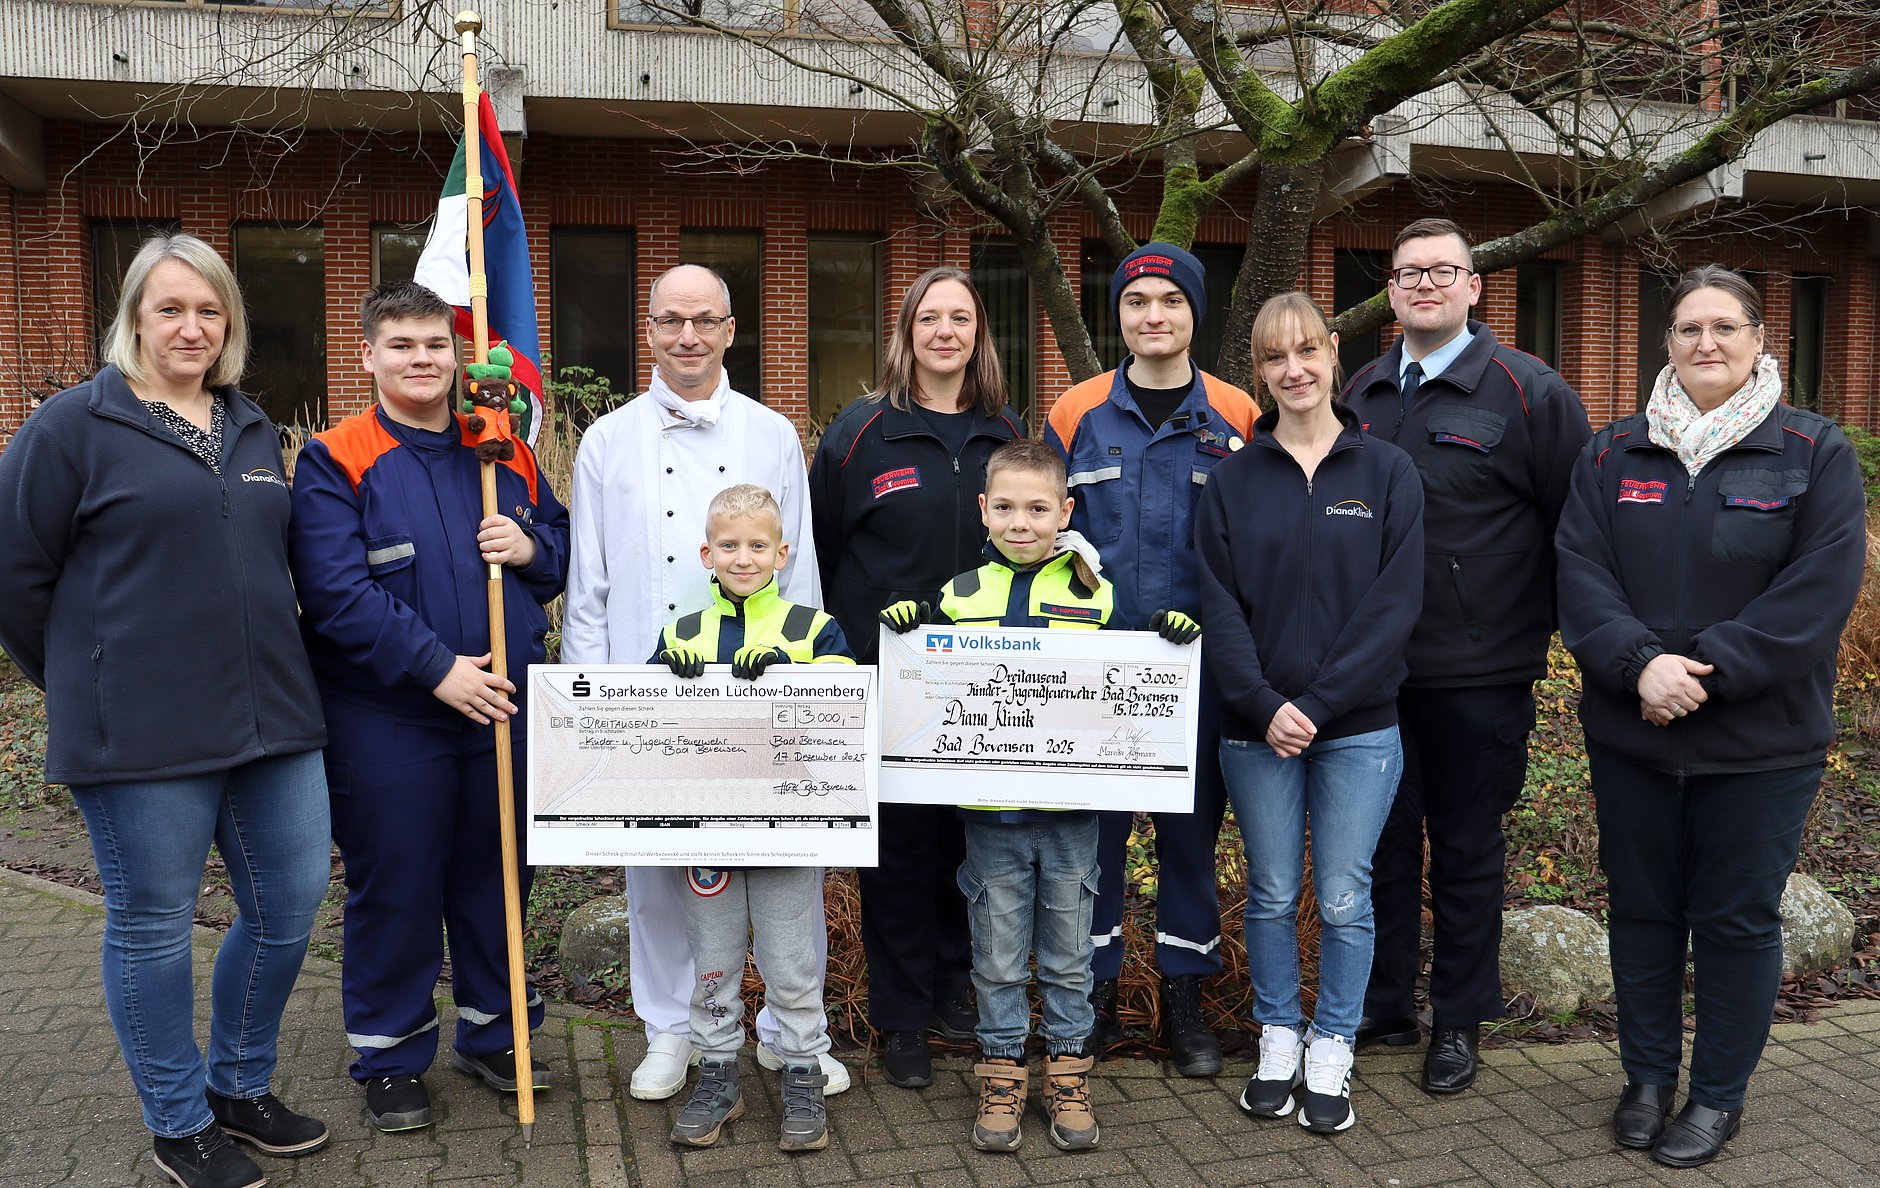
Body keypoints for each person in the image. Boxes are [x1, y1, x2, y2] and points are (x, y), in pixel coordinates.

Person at [0, 232, 331, 1188]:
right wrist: (83, 674)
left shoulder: (254, 427)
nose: (192, 327)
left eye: (209, 310)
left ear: (229, 322)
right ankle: (179, 1121)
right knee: (153, 923)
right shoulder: (72, 425)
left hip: (273, 719)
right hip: (140, 732)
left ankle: (240, 1085)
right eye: (170, 309)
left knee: (289, 906)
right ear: (135, 319)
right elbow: (16, 576)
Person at [1557, 265, 1865, 1168]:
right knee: (1644, 915)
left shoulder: (1814, 453)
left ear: (1761, 340)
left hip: (1759, 748)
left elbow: (1818, 593)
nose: (1706, 344)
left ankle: (1718, 1097)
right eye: (1689, 329)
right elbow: (1580, 574)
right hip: (1632, 734)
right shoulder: (1613, 455)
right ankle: (1648, 1079)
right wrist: (1639, 665)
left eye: (1725, 327)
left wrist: (1705, 672)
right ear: (1667, 344)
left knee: (1736, 922)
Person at [560, 264, 847, 1101]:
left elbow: (802, 577)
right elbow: (590, 585)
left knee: (784, 869)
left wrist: (813, 696)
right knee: (660, 875)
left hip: (764, 693)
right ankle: (671, 1031)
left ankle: (787, 1033)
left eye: (704, 320)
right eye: (669, 320)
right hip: (651, 692)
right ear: (648, 330)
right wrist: (592, 709)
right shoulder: (607, 440)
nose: (687, 335)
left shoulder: (772, 435)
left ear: (730, 329)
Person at [288, 280, 570, 1132]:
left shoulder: (502, 450)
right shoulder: (335, 458)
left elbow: (559, 556)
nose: (423, 360)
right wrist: (437, 669)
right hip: (391, 716)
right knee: (398, 883)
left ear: (458, 357)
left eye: (436, 346)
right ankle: (389, 1054)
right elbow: (334, 595)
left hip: (504, 710)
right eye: (403, 346)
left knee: (497, 876)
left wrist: (528, 545)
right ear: (368, 355)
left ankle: (495, 1034)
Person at [878, 438, 1202, 1153]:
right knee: (993, 958)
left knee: (1066, 956)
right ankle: (1000, 1072)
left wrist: (1164, 639)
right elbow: (926, 692)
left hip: (1071, 819)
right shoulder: (957, 597)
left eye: (1037, 508)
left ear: (1065, 511)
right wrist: (908, 631)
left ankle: (1067, 1072)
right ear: (982, 511)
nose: (1020, 522)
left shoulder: (1096, 593)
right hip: (988, 822)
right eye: (1005, 508)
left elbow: (1128, 673)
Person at [1342, 217, 1591, 1094]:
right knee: (1378, 845)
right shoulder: (1364, 389)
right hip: (1372, 671)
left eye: (1444, 271)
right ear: (1391, 289)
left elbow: (1579, 528)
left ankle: (1458, 1020)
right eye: (1408, 272)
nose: (1425, 286)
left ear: (1475, 286)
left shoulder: (1530, 393)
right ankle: (1384, 1003)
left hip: (1480, 671)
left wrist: (1549, 640)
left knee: (1465, 847)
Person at [1196, 293, 1424, 1134]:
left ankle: (1334, 1042)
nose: (1293, 370)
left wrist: (1319, 706)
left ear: (1334, 354)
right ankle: (1279, 1036)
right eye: (1273, 358)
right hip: (1254, 728)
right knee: (1270, 889)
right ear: (1258, 372)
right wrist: (1264, 704)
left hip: (1358, 728)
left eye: (1306, 352)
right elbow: (1218, 604)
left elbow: (1396, 604)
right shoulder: (1231, 478)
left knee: (1341, 896)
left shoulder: (1387, 472)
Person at [1044, 242, 1257, 1076]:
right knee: (1090, 844)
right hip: (1095, 674)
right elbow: (1039, 532)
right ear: (1120, 315)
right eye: (1137, 303)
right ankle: (1093, 999)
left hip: (1196, 676)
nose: (1153, 316)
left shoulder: (1238, 413)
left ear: (1194, 313)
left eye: (1171, 300)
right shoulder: (1076, 412)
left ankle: (1184, 1004)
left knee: (1188, 841)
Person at [810, 266, 1025, 1088]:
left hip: (984, 691)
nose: (945, 331)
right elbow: (826, 555)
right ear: (906, 330)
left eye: (960, 318)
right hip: (886, 686)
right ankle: (900, 1018)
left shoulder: (1006, 429)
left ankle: (952, 988)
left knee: (966, 850)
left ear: (978, 332)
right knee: (896, 856)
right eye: (929, 317)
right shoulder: (861, 432)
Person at [649, 484, 854, 1153]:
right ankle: (717, 1075)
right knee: (713, 961)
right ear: (707, 552)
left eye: (757, 545)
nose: (744, 557)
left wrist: (792, 677)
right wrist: (660, 675)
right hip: (708, 829)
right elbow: (641, 722)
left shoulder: (813, 629)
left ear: (781, 552)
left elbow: (844, 700)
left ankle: (801, 1071)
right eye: (729, 546)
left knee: (791, 960)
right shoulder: (681, 631)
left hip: (787, 830)